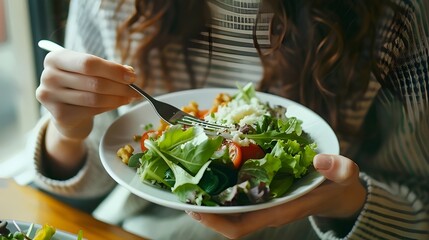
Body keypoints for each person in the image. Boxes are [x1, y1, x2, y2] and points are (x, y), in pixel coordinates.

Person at [28, 0, 428, 239]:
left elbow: (419, 209)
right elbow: (111, 165)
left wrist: (346, 203)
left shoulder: (397, 14)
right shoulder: (110, 4)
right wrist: (67, 132)